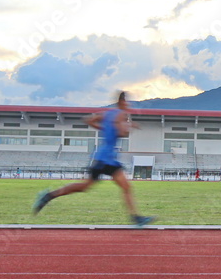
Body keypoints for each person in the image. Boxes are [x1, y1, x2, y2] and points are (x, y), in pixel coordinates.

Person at [32, 92, 155, 227]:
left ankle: (49, 196)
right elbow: (122, 133)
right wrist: (130, 126)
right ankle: (136, 218)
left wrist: (104, 128)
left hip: (104, 157)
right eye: (127, 102)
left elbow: (88, 120)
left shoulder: (107, 113)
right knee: (122, 187)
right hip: (107, 158)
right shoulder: (122, 114)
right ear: (121, 102)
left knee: (87, 186)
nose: (128, 104)